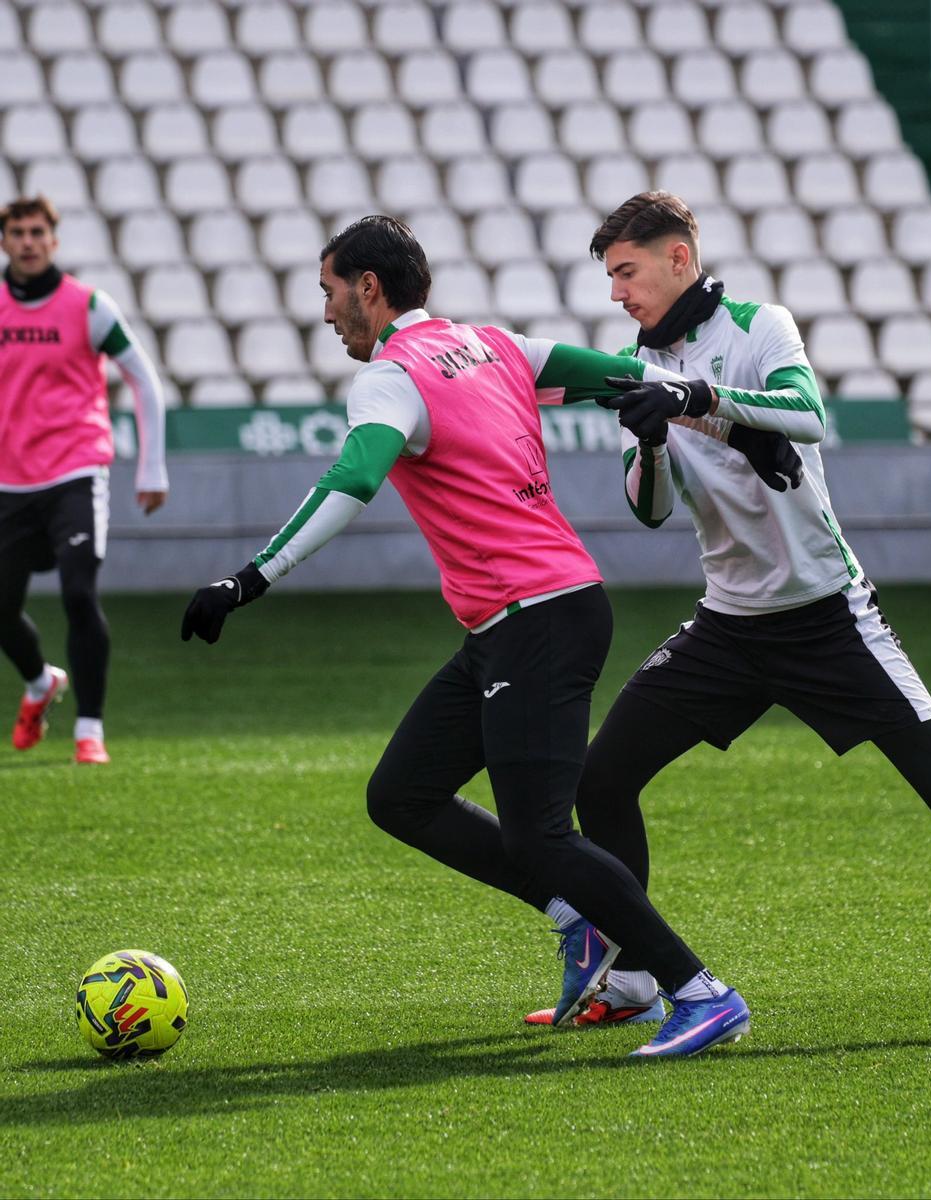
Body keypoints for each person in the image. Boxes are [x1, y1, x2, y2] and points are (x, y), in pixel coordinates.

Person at [523, 192, 931, 1037]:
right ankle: (638, 976)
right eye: (610, 277)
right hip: (727, 625)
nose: (616, 293)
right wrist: (648, 435)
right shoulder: (635, 364)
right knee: (601, 780)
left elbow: (808, 417)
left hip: (828, 617)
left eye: (627, 272)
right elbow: (649, 511)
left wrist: (693, 398)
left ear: (679, 258)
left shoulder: (761, 327)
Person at [180, 215, 761, 1059]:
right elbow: (636, 378)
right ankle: (583, 927)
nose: (327, 311)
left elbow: (351, 479)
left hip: (539, 618)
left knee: (541, 835)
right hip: (518, 621)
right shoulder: (494, 345)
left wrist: (248, 579)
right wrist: (739, 426)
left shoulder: (392, 378)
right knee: (402, 795)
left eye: (330, 291)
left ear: (369, 288)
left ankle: (701, 992)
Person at [0, 194, 168, 765]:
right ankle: (40, 682)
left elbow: (143, 379)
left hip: (74, 469)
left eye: (37, 232)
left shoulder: (88, 306)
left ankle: (88, 730)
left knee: (78, 592)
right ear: (5, 241)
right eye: (17, 232)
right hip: (8, 479)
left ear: (53, 240)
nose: (27, 241)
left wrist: (151, 466)